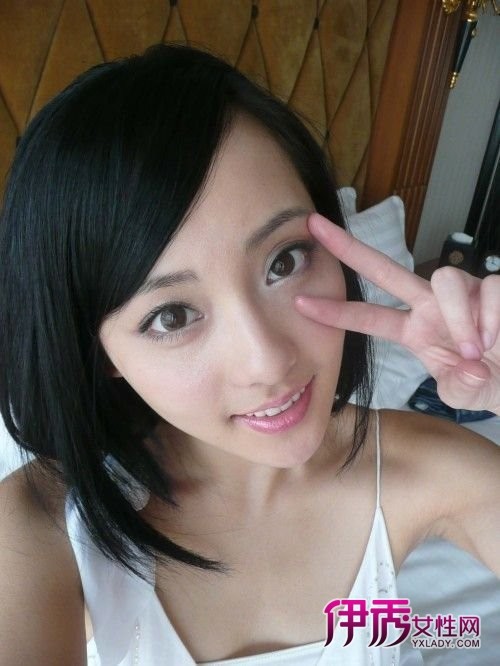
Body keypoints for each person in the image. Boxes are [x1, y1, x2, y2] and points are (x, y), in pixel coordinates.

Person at [0, 43, 498, 666]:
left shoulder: (422, 468)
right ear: (101, 354)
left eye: (284, 261)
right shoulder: (42, 528)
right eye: (172, 316)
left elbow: (416, 630)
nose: (268, 362)